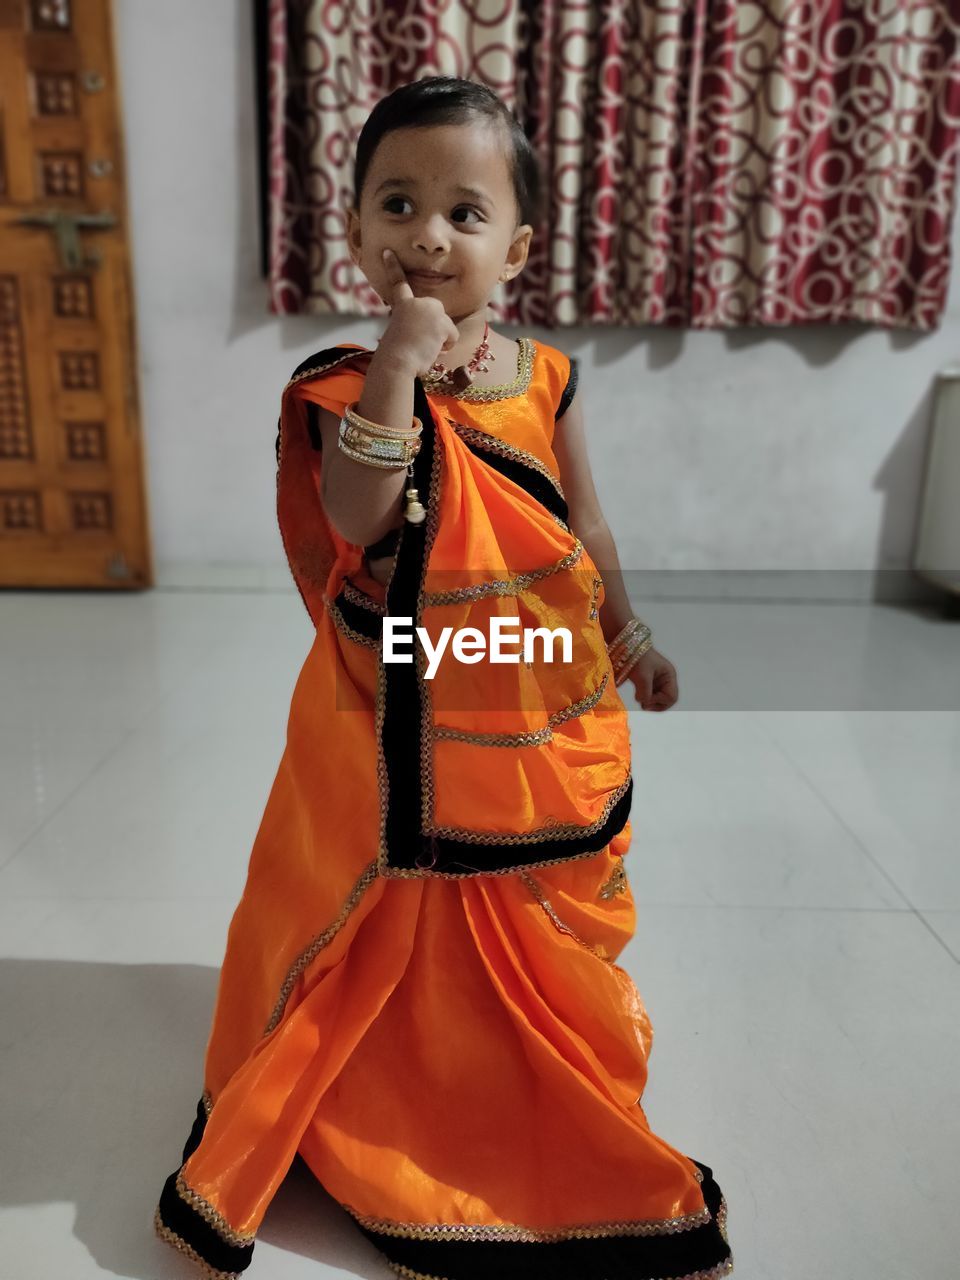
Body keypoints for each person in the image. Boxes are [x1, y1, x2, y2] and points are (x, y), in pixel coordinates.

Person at [153, 75, 733, 1280]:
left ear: (516, 244)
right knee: (395, 888)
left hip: (522, 692)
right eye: (399, 203)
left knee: (517, 896)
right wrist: (396, 375)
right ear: (359, 233)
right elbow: (357, 521)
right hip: (393, 697)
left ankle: (509, 1069)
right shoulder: (341, 382)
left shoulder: (547, 378)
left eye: (466, 212)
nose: (430, 233)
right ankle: (381, 1083)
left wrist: (629, 638)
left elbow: (586, 525)